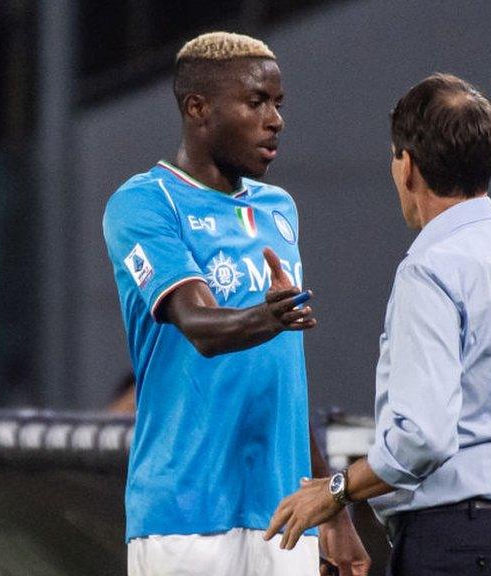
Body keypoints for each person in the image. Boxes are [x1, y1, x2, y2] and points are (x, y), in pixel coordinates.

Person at [266, 73, 491, 576]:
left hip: (457, 545)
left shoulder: (430, 268)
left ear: (407, 165)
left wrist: (336, 492)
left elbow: (422, 439)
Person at [102, 32, 368, 576]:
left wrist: (332, 508)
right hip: (185, 517)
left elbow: (284, 376)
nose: (276, 120)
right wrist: (268, 318)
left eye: (278, 103)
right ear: (198, 108)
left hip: (283, 516)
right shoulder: (145, 203)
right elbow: (199, 324)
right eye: (256, 102)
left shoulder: (280, 209)